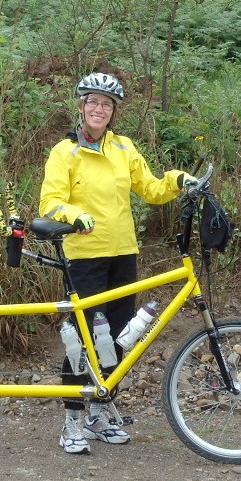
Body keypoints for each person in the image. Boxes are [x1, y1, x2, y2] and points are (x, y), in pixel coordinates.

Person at [39, 72, 195, 454]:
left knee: (119, 338)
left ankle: (98, 413)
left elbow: (153, 189)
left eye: (106, 105)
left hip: (123, 254)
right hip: (84, 257)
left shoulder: (124, 148)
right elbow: (49, 203)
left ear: (113, 112)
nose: (99, 109)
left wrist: (178, 180)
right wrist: (74, 215)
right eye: (93, 102)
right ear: (81, 106)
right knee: (83, 340)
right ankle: (72, 420)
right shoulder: (65, 151)